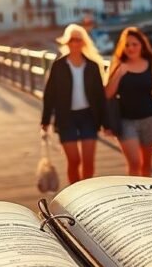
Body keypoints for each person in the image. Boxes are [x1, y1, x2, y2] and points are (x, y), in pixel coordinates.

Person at [105, 27, 152, 177]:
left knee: (146, 165)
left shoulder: (151, 63)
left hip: (150, 118)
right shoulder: (118, 64)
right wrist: (118, 73)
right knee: (135, 163)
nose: (130, 48)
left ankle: (146, 197)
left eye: (134, 44)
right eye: (127, 45)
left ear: (142, 45)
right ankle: (134, 197)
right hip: (125, 121)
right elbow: (108, 94)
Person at [41, 24, 106, 184]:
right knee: (74, 160)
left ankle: (86, 193)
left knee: (89, 161)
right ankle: (74, 194)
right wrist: (45, 120)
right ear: (66, 43)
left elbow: (100, 97)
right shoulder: (59, 66)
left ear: (83, 42)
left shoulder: (92, 66)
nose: (75, 43)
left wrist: (106, 122)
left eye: (78, 40)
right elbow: (49, 94)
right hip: (66, 118)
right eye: (71, 40)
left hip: (88, 117)